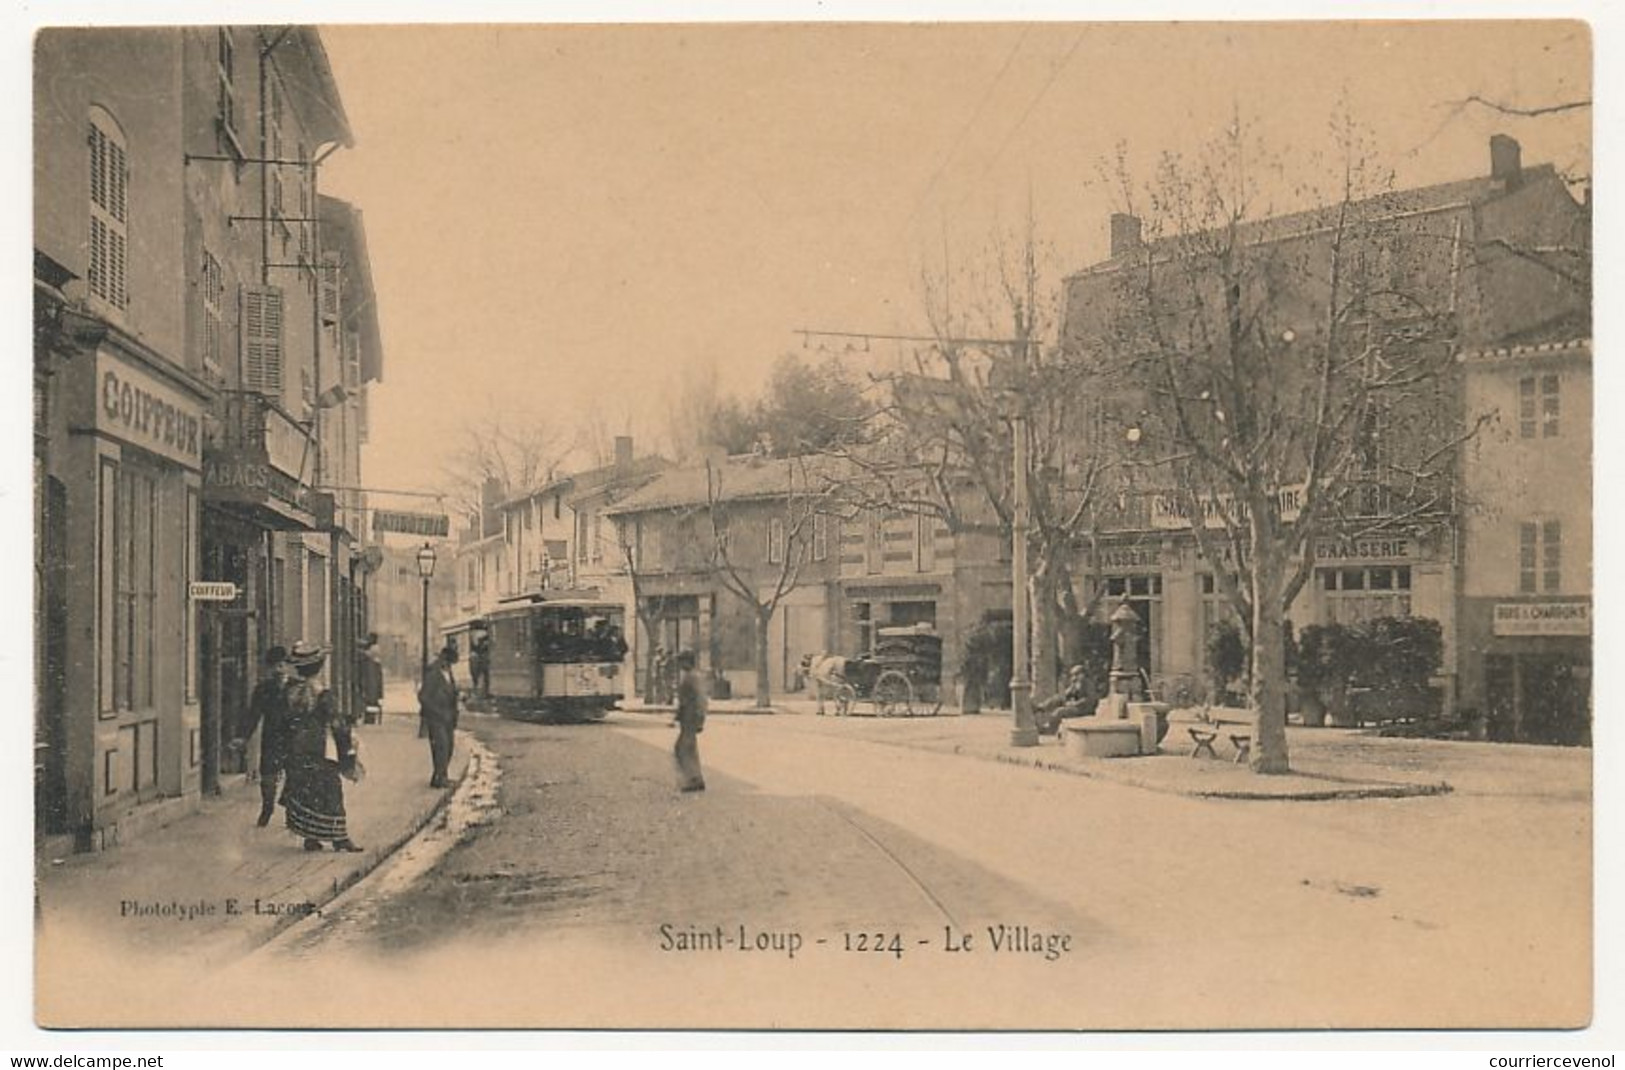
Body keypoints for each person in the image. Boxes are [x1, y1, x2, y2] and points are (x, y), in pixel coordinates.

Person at [278, 641, 363, 852]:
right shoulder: (323, 693)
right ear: (320, 667)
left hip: (297, 750)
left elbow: (284, 722)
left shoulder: (290, 691)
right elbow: (336, 724)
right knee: (331, 790)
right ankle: (339, 838)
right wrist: (349, 752)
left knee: (307, 792)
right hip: (321, 748)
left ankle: (311, 837)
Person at [237, 645, 293, 827]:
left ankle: (292, 814)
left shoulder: (295, 688)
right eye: (274, 666)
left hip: (292, 738)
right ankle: (267, 808)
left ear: (287, 666)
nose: (278, 669)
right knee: (268, 777)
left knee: (294, 776)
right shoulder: (263, 689)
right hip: (271, 738)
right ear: (269, 668)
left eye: (282, 665)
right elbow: (254, 715)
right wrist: (243, 737)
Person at [419, 642, 461, 789]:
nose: (450, 665)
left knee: (448, 747)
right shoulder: (433, 673)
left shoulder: (447, 672)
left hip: (448, 717)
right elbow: (424, 696)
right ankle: (439, 778)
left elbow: (450, 692)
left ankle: (441, 776)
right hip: (437, 718)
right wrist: (435, 712)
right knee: (441, 747)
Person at [673, 650, 707, 792]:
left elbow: (701, 699)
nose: (680, 664)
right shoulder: (688, 676)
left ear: (687, 661)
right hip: (687, 717)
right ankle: (695, 778)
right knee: (688, 748)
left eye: (682, 661)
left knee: (682, 748)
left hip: (691, 717)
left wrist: (700, 718)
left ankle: (692, 779)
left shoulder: (693, 677)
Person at [1036, 664, 1098, 736]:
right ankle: (1042, 707)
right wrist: (1050, 703)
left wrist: (1074, 704)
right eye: (1072, 675)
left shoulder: (1088, 684)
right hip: (1076, 707)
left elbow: (1090, 700)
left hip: (1084, 709)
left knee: (1059, 711)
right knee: (1057, 699)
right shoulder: (1075, 684)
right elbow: (1064, 696)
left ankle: (1050, 730)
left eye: (1076, 675)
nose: (1074, 677)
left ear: (1082, 674)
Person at [358, 633, 385, 724]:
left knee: (371, 698)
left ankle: (370, 719)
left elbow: (367, 654)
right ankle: (370, 718)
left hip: (371, 677)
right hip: (372, 678)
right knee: (371, 698)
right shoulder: (374, 649)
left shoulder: (374, 649)